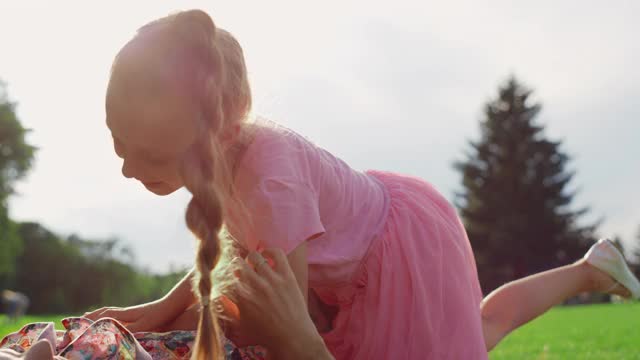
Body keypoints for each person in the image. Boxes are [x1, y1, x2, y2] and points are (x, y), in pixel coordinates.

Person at [80, 8, 640, 360]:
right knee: (480, 328)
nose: (128, 167)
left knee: (476, 332)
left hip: (400, 261)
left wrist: (174, 331)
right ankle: (590, 268)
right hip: (364, 256)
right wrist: (159, 308)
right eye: (116, 142)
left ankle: (588, 269)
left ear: (208, 135)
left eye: (148, 153)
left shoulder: (271, 180)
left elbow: (289, 336)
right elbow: (229, 256)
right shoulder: (230, 157)